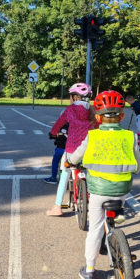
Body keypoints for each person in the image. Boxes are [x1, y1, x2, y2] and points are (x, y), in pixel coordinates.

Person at [65, 90, 140, 279]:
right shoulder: (129, 136)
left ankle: (89, 271)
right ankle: (117, 224)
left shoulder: (93, 136)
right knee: (116, 207)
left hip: (98, 190)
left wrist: (69, 162)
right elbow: (139, 166)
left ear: (98, 117)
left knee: (95, 229)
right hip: (123, 189)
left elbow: (76, 157)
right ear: (122, 116)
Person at [45, 82, 95, 216]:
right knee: (91, 173)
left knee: (65, 173)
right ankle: (93, 200)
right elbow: (98, 125)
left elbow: (59, 123)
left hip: (72, 149)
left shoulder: (70, 109)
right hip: (90, 149)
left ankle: (57, 207)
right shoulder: (92, 110)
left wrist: (53, 133)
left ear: (75, 97)